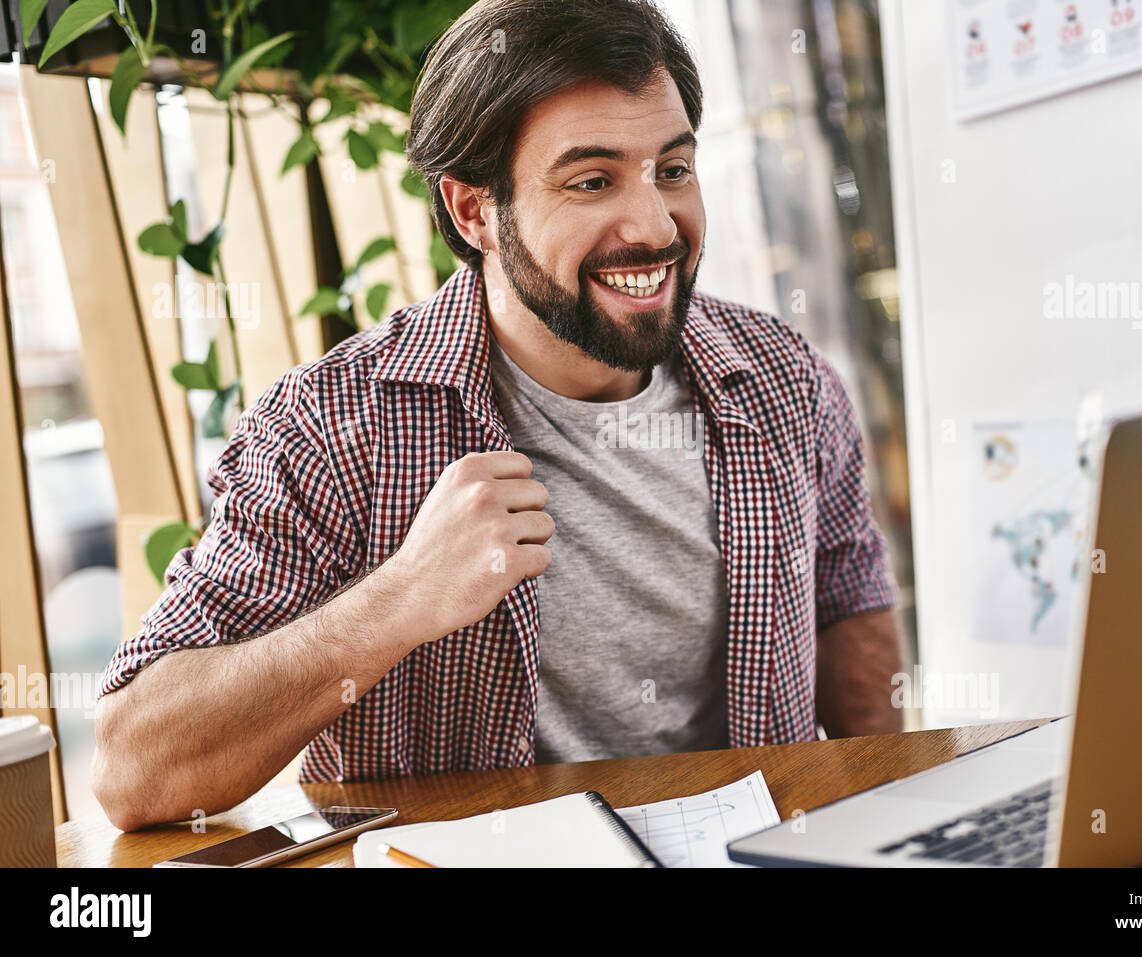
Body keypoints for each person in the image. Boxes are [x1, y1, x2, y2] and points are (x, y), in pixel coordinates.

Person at [91, 0, 901, 832]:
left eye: (672, 169)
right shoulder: (334, 424)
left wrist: (886, 824)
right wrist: (399, 599)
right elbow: (133, 770)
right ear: (475, 211)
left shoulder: (783, 379)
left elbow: (850, 606)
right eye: (592, 181)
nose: (656, 225)